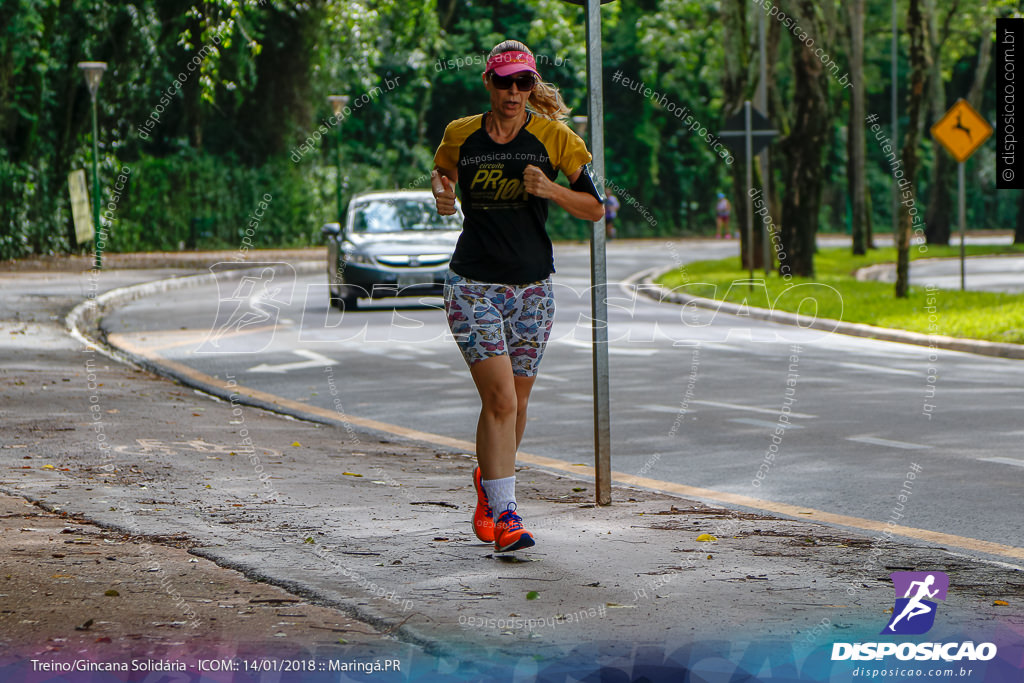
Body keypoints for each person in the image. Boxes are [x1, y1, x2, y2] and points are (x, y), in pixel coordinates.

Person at [431, 39, 604, 553]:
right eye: (503, 82)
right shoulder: (461, 135)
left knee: (517, 403)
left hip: (533, 289)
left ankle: (489, 488)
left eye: (522, 82)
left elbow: (596, 208)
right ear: (488, 83)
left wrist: (549, 189)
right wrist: (442, 192)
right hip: (473, 286)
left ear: (532, 85)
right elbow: (442, 171)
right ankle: (506, 514)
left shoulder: (555, 138)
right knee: (501, 399)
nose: (513, 92)